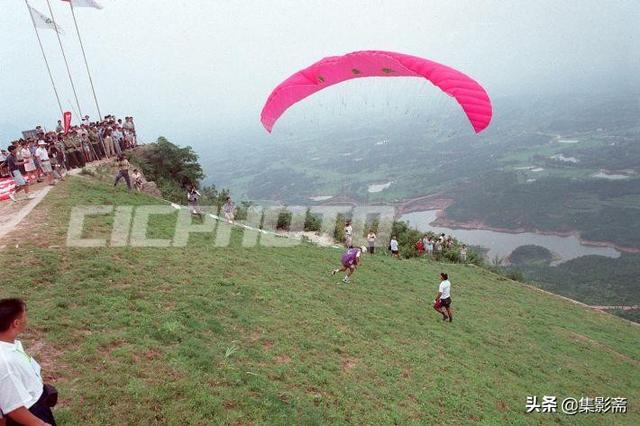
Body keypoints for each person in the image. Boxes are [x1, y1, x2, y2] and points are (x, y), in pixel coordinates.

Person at [0, 298, 57, 425]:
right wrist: (41, 424)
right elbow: (13, 408)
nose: (27, 319)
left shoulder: (9, 342)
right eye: (25, 316)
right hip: (30, 412)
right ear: (16, 323)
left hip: (35, 401)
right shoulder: (5, 362)